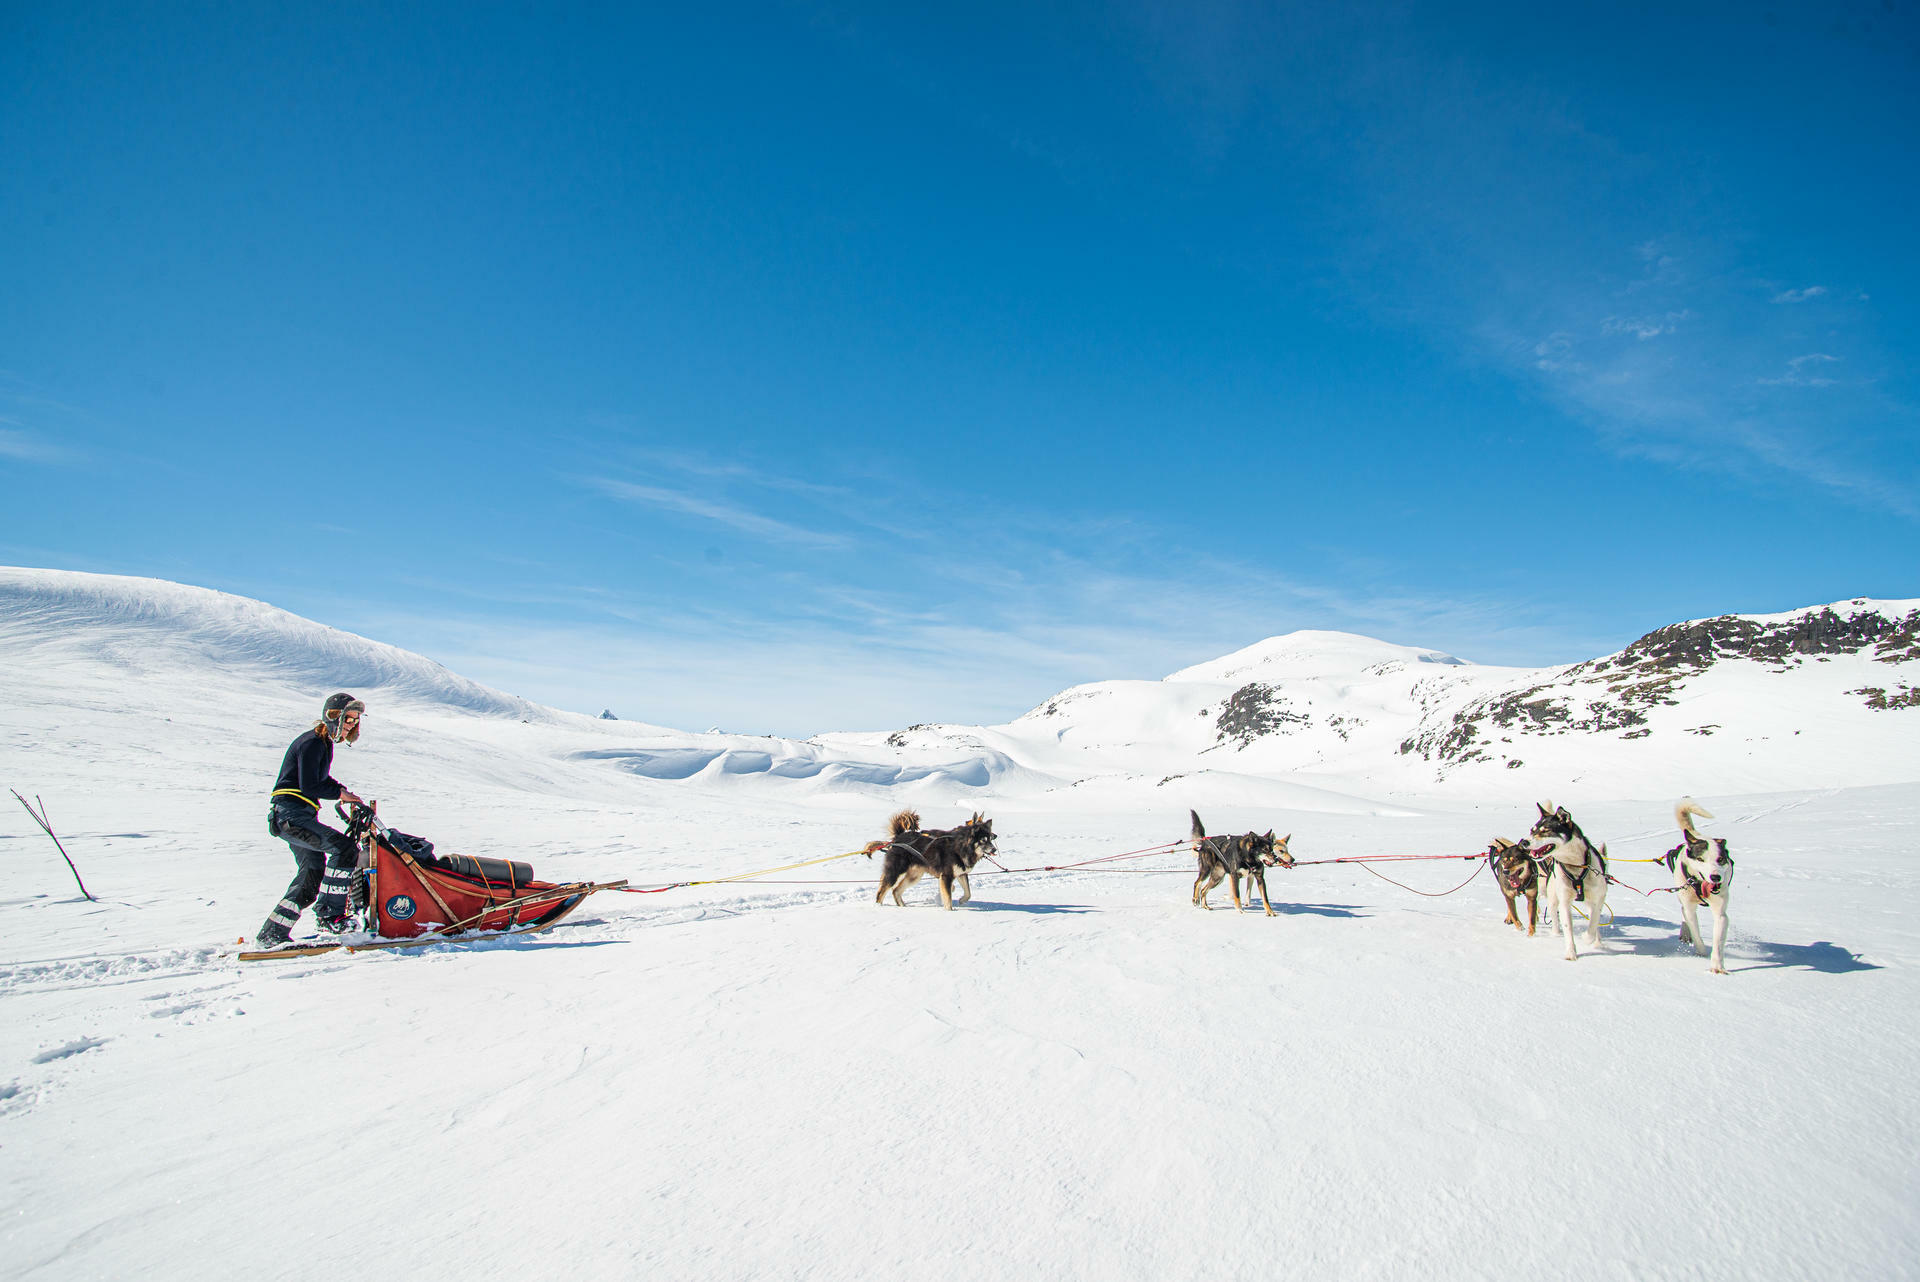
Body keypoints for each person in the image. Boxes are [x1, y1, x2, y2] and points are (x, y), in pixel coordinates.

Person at [255, 692, 369, 947]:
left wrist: (345, 793)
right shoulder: (313, 742)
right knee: (344, 848)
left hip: (295, 814)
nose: (351, 724)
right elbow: (310, 784)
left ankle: (272, 933)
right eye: (348, 719)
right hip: (291, 815)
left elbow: (321, 781)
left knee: (313, 872)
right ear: (333, 716)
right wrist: (339, 793)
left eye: (354, 721)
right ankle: (330, 916)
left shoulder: (322, 743)